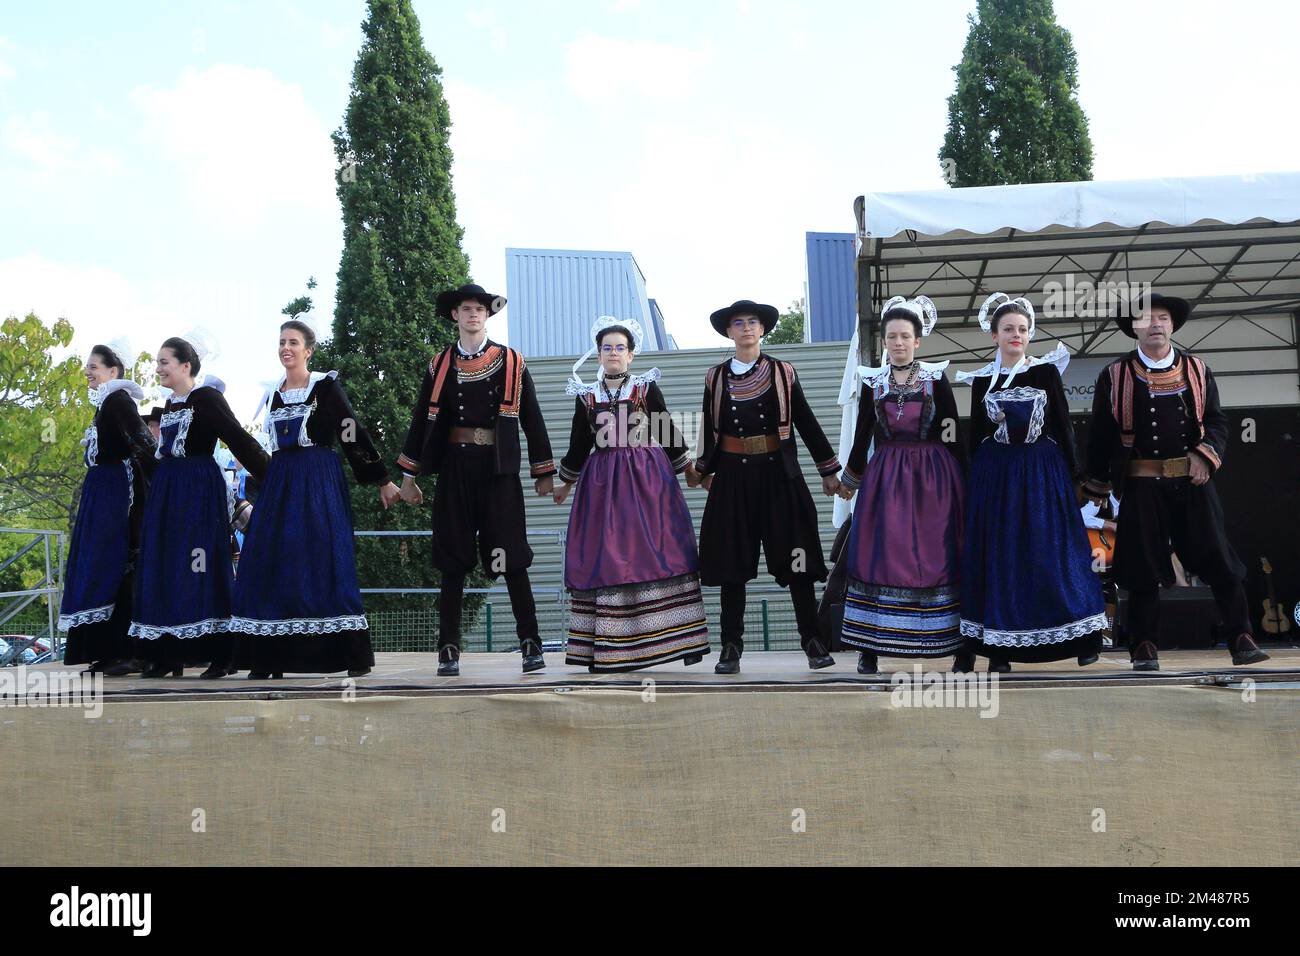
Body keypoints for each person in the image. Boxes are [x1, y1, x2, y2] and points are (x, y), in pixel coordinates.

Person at [1083, 292, 1269, 670]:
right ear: (1134, 327)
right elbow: (1101, 434)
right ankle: (1144, 647)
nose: (1155, 323)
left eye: (1163, 317)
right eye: (1147, 318)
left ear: (1172, 325)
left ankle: (1241, 638)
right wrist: (1097, 488)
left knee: (1219, 558)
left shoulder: (1198, 368)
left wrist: (1204, 456)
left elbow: (1217, 421)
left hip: (1194, 483)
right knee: (1141, 568)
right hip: (1140, 486)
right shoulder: (1114, 374)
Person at [395, 284, 556, 676]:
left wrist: (543, 470)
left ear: (488, 315)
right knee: (453, 560)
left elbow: (532, 417)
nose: (473, 315)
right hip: (454, 471)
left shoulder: (512, 362)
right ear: (455, 315)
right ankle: (448, 649)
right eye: (466, 309)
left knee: (511, 556)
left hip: (498, 470)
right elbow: (420, 420)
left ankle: (530, 643)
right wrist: (408, 476)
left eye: (479, 309)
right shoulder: (439, 365)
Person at [228, 318, 401, 679]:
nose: (285, 348)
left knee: (323, 558)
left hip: (318, 481)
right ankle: (269, 657)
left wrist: (381, 479)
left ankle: (345, 654)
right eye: (281, 342)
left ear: (308, 350)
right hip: (281, 483)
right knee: (272, 559)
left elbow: (351, 431)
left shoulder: (325, 387)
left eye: (293, 342)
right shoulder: (273, 394)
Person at [686, 299, 842, 673]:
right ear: (729, 331)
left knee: (797, 560)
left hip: (778, 476)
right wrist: (701, 470)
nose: (746, 328)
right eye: (738, 323)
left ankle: (812, 639)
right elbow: (710, 429)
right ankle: (730, 646)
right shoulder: (715, 377)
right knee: (731, 565)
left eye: (752, 322)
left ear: (763, 329)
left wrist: (829, 470)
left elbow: (806, 420)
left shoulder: (783, 372)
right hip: (733, 480)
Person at [956, 293, 1106, 671]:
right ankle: (998, 651)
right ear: (994, 335)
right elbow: (976, 438)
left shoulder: (1045, 372)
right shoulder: (982, 380)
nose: (1016, 335)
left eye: (1022, 329)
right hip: (997, 478)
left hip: (1041, 474)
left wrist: (1076, 478)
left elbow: (1062, 427)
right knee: (999, 558)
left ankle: (1084, 639)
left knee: (1054, 552)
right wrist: (974, 485)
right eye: (1008, 329)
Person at [553, 317, 709, 672]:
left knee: (657, 550)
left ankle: (681, 638)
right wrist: (565, 482)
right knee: (609, 556)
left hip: (646, 477)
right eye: (607, 348)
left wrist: (689, 469)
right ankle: (613, 647)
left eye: (619, 348)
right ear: (598, 355)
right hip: (603, 483)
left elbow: (665, 426)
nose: (613, 353)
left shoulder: (644, 387)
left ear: (631, 355)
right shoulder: (586, 395)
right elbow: (579, 443)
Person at [835, 296, 966, 673]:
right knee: (880, 553)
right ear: (885, 342)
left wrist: (964, 482)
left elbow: (952, 431)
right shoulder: (872, 382)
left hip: (934, 478)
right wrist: (850, 479)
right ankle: (869, 645)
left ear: (917, 341)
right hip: (886, 479)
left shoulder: (935, 379)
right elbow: (862, 435)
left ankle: (955, 644)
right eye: (891, 337)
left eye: (905, 336)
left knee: (937, 554)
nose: (898, 343)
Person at [128, 336, 271, 678]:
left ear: (185, 366)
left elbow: (238, 438)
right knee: (166, 567)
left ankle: (219, 655)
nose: (158, 367)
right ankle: (169, 654)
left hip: (197, 492)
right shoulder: (172, 405)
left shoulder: (206, 398)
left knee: (201, 566)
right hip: (168, 492)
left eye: (164, 361)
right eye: (158, 362)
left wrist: (273, 477)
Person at [58, 340, 157, 676]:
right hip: (101, 495)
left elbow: (144, 443)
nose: (87, 371)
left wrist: (159, 486)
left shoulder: (118, 401)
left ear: (113, 371)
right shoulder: (104, 405)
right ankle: (107, 650)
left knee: (120, 565)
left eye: (94, 366)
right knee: (100, 567)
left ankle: (129, 651)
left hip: (119, 495)